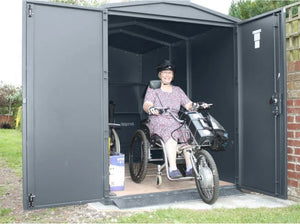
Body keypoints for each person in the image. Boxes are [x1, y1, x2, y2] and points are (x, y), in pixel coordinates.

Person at [143, 59, 209, 178]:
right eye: (165, 72)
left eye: (170, 73)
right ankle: (173, 168)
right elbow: (146, 104)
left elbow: (188, 105)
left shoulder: (177, 90)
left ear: (173, 76)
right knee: (171, 131)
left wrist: (198, 105)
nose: (167, 75)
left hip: (175, 120)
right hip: (158, 119)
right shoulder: (153, 88)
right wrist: (151, 109)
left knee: (187, 132)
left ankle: (189, 167)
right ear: (160, 74)